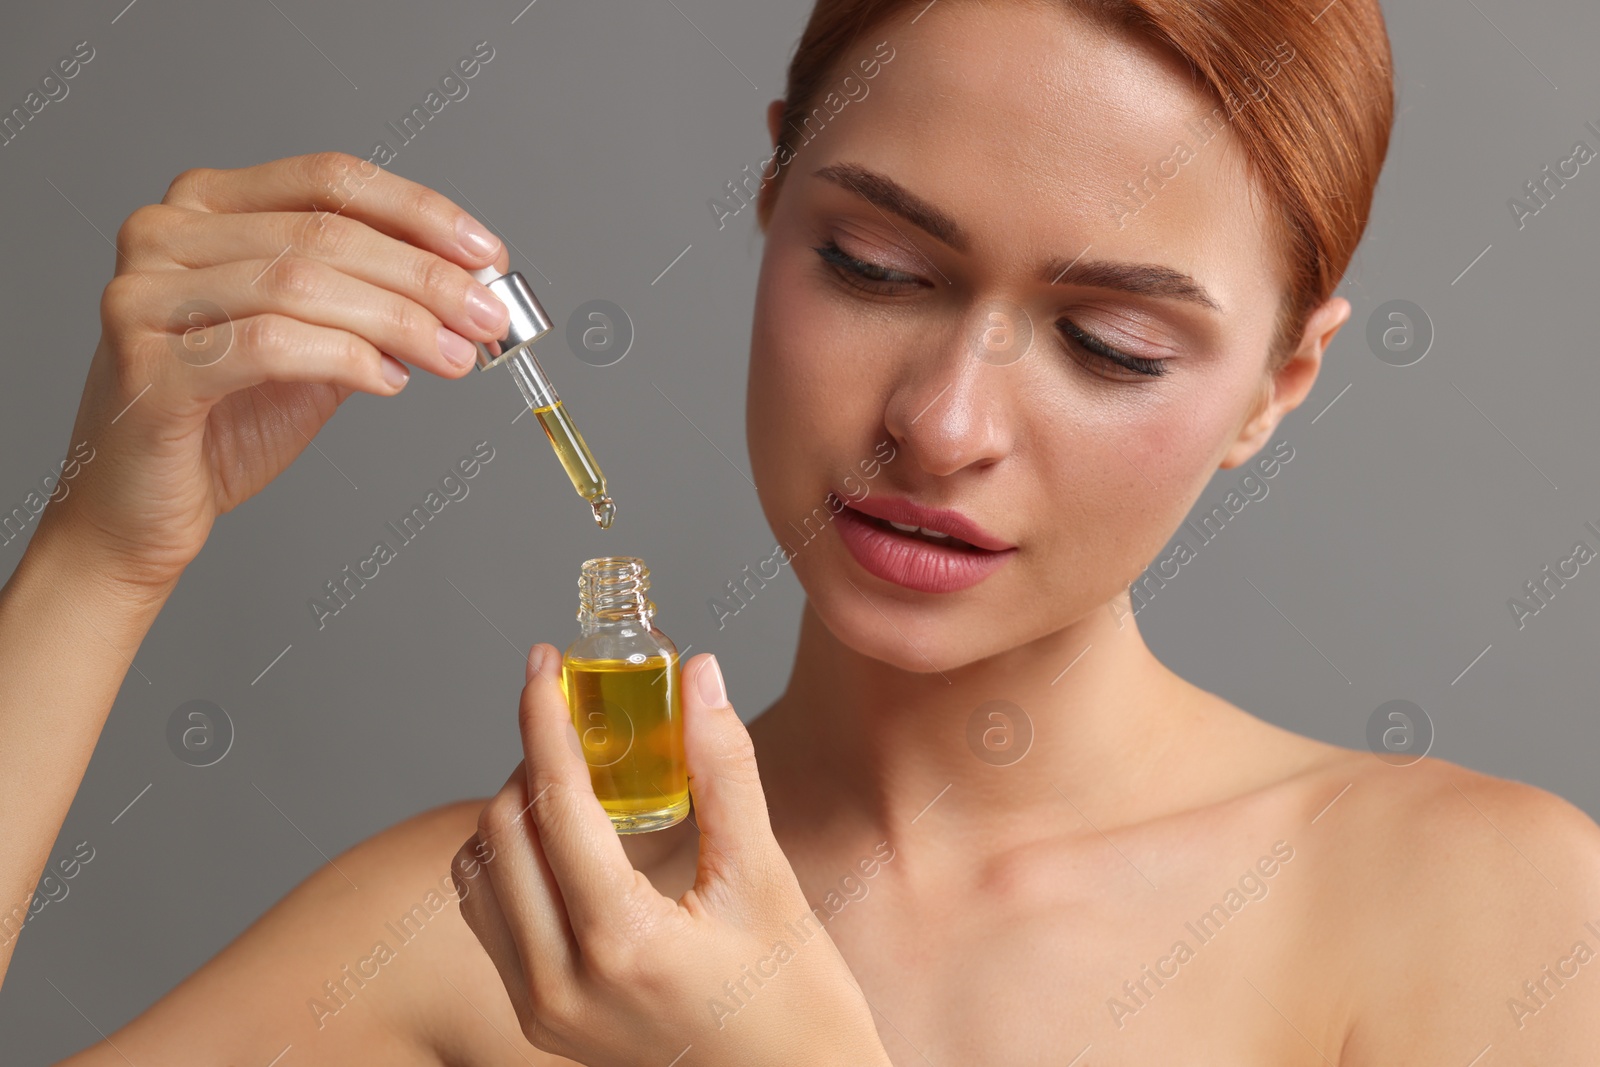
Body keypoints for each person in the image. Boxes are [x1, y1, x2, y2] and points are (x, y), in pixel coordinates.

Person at [4, 0, 1598, 1063]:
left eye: (1112, 344)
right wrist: (99, 556)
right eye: (877, 267)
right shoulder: (522, 917)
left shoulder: (1482, 913)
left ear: (1280, 382)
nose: (945, 424)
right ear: (771, 193)